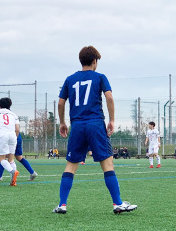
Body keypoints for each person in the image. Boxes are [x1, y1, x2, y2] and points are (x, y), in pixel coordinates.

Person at [52, 45, 137, 214]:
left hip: (77, 125)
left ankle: (62, 205)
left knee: (70, 166)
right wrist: (112, 120)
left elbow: (61, 103)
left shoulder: (70, 79)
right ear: (94, 61)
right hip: (95, 124)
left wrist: (62, 122)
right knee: (107, 164)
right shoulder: (100, 77)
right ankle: (117, 204)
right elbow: (109, 97)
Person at [0, 97, 20, 186]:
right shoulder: (13, 115)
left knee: (1, 159)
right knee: (11, 159)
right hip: (12, 136)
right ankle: (13, 181)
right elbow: (17, 129)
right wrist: (15, 138)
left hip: (2, 136)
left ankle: (13, 171)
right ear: (10, 105)